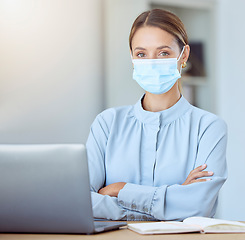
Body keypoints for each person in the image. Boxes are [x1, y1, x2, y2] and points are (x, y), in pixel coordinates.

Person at [85, 9, 228, 221]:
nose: (151, 62)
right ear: (132, 58)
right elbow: (83, 202)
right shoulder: (107, 124)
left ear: (184, 55)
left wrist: (120, 190)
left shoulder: (208, 127)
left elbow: (198, 207)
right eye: (141, 54)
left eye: (163, 53)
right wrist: (172, 200)